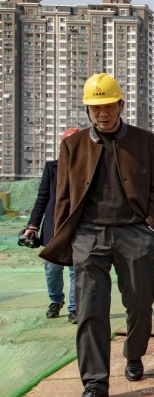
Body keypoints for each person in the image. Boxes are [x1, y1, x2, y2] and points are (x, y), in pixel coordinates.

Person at [40, 73, 154, 397]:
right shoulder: (72, 145)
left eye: (109, 106)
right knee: (90, 310)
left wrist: (152, 224)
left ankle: (134, 354)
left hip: (134, 233)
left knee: (140, 303)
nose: (103, 113)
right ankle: (95, 384)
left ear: (121, 105)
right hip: (89, 236)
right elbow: (63, 197)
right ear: (88, 110)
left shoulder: (144, 141)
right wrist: (67, 237)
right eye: (96, 107)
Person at [23, 127, 79, 323]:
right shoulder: (51, 168)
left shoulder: (88, 168)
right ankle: (56, 300)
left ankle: (74, 308)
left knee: (76, 269)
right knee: (52, 268)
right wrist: (33, 225)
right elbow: (43, 197)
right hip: (54, 227)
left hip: (78, 226)